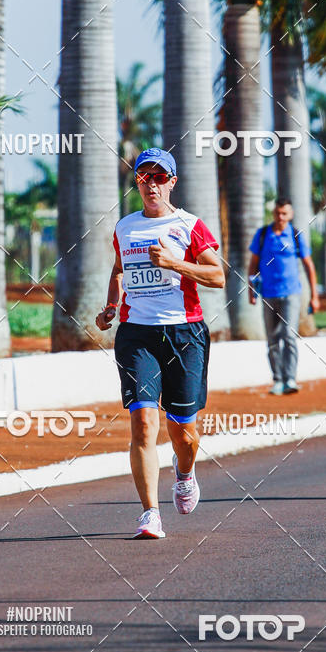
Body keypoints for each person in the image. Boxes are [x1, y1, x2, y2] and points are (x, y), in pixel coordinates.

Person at [95, 148, 225, 539]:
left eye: (159, 177)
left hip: (185, 333)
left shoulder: (190, 225)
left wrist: (175, 264)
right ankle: (150, 512)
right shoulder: (125, 228)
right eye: (144, 178)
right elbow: (119, 271)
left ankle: (184, 473)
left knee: (183, 430)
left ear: (172, 181)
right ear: (137, 183)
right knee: (143, 421)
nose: (151, 184)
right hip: (137, 334)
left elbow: (217, 276)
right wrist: (111, 307)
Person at [248, 198, 319, 395]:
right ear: (274, 214)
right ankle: (277, 380)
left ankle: (290, 378)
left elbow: (309, 265)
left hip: (291, 294)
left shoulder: (295, 235)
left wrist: (315, 296)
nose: (281, 217)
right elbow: (253, 265)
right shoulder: (263, 235)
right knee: (271, 340)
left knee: (288, 336)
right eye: (278, 213)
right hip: (268, 295)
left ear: (290, 214)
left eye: (284, 213)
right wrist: (251, 290)